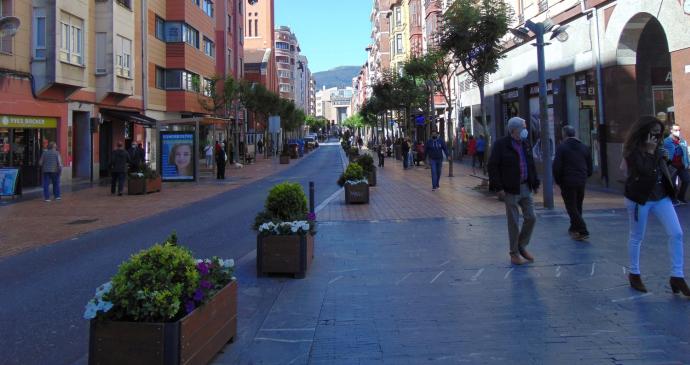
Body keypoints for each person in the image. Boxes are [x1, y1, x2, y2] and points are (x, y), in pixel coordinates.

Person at [622, 116, 689, 296]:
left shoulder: (659, 149)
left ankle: (677, 275)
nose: (656, 138)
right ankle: (634, 273)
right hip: (640, 198)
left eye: (659, 135)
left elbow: (661, 170)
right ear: (643, 133)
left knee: (676, 233)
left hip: (661, 197)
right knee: (637, 236)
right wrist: (651, 153)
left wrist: (662, 158)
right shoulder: (632, 152)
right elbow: (644, 172)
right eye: (653, 134)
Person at [488, 117, 540, 265]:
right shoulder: (501, 145)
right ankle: (514, 253)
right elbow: (492, 166)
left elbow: (530, 164)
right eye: (523, 127)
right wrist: (498, 188)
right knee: (514, 222)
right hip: (510, 189)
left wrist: (534, 182)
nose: (526, 129)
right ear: (514, 130)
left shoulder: (525, 143)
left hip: (525, 187)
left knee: (531, 217)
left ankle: (521, 245)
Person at [553, 125, 593, 241]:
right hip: (581, 179)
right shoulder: (584, 147)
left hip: (568, 180)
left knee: (571, 206)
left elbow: (557, 166)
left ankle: (582, 229)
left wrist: (558, 180)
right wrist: (586, 175)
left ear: (564, 134)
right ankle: (574, 227)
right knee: (578, 204)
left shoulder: (562, 147)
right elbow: (589, 166)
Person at [663, 124, 690, 205]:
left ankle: (681, 197)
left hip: (682, 165)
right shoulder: (666, 141)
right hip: (671, 165)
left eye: (679, 130)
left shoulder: (682, 141)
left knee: (686, 180)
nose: (678, 131)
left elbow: (686, 154)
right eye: (676, 130)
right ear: (671, 131)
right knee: (672, 183)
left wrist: (688, 163)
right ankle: (673, 199)